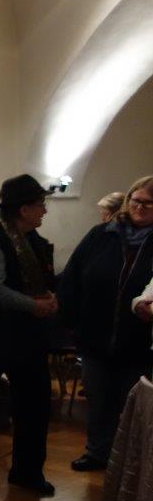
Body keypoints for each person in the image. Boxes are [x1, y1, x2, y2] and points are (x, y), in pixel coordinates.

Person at [0, 174, 59, 496]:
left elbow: (40, 281)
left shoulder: (33, 239)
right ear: (23, 209)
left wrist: (50, 298)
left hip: (28, 337)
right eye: (40, 204)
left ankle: (28, 471)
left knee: (35, 406)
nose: (44, 210)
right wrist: (34, 305)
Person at [61, 175, 153, 470]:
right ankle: (97, 452)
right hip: (94, 335)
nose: (140, 207)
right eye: (136, 200)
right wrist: (70, 321)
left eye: (148, 203)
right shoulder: (101, 235)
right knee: (98, 399)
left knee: (132, 405)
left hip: (139, 341)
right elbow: (72, 277)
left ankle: (127, 462)